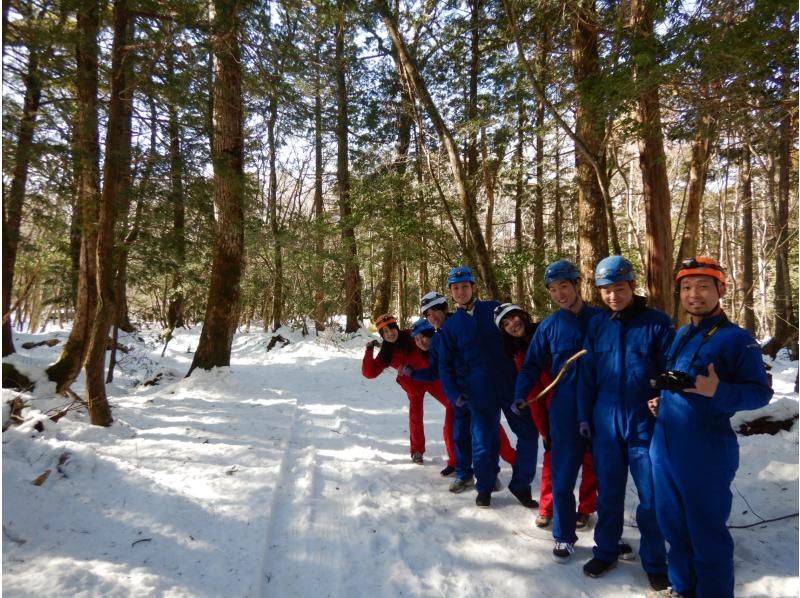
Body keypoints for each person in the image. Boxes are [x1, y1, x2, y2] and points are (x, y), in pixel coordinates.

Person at [647, 258, 772, 598]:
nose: (694, 294)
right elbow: (682, 380)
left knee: (706, 533)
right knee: (674, 526)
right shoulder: (683, 333)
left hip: (705, 451)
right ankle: (684, 589)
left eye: (703, 286)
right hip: (666, 444)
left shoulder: (737, 339)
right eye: (686, 288)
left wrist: (719, 391)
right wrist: (663, 400)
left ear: (721, 290)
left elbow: (760, 393)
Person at [578, 256, 673, 591]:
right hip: (605, 422)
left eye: (619, 288)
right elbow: (587, 376)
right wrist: (583, 416)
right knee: (609, 494)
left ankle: (656, 561)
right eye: (606, 290)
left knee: (651, 496)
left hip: (644, 422)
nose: (613, 296)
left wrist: (665, 397)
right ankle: (606, 550)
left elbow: (671, 371)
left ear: (632, 286)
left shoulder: (657, 323)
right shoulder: (598, 325)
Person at [513, 259, 602, 563]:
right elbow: (532, 365)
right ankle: (564, 535)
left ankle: (608, 538)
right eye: (553, 289)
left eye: (564, 285)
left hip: (600, 407)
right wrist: (519, 393)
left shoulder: (603, 320)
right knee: (562, 477)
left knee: (605, 474)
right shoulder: (550, 327)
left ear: (577, 284)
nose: (560, 293)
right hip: (563, 410)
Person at [438, 266, 540, 508]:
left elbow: (517, 330)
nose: (461, 292)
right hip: (478, 389)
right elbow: (445, 365)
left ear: (474, 287)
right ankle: (484, 487)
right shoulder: (451, 327)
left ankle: (521, 484)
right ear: (451, 293)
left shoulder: (493, 309)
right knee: (484, 440)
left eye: (465, 286)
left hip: (510, 384)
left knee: (528, 433)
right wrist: (454, 394)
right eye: (456, 288)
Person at [494, 303, 598, 530]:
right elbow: (535, 396)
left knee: (590, 458)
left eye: (513, 317)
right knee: (553, 459)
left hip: (584, 400)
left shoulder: (550, 330)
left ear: (523, 315)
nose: (512, 324)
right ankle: (547, 507)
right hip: (556, 413)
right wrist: (544, 429)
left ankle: (586, 508)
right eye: (505, 323)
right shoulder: (520, 355)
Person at [407, 291, 517, 492]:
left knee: (484, 435)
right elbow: (435, 370)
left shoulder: (459, 326)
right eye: (428, 315)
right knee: (460, 435)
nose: (433, 318)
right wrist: (413, 373)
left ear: (444, 309)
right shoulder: (438, 339)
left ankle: (490, 475)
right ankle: (464, 473)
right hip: (458, 395)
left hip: (479, 390)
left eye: (435, 312)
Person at [361, 313, 455, 468]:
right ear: (382, 335)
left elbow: (431, 337)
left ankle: (464, 443)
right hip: (412, 384)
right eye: (385, 332)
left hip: (432, 377)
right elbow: (369, 373)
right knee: (415, 416)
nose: (390, 333)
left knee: (454, 406)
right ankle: (417, 450)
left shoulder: (412, 336)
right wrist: (369, 350)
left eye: (392, 328)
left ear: (396, 327)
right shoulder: (386, 352)